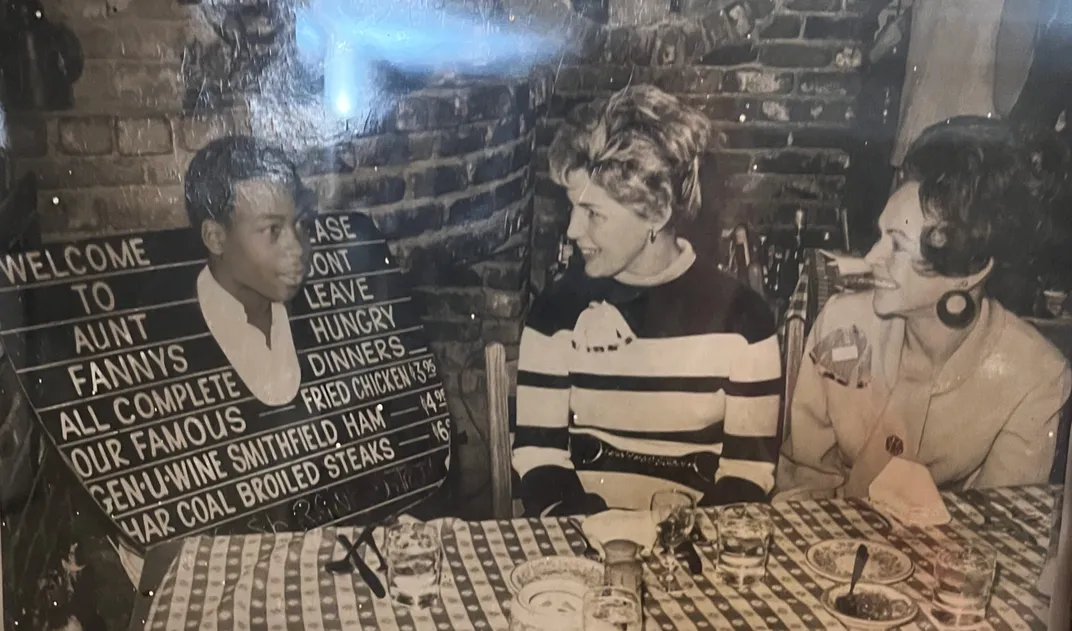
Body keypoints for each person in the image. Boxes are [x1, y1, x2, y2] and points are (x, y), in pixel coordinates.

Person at [511, 85, 783, 516]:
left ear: (656, 214)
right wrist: (606, 536)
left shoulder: (744, 322)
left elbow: (746, 476)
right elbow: (540, 460)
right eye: (572, 208)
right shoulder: (554, 313)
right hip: (583, 543)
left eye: (594, 214)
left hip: (692, 552)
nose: (572, 231)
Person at [778, 117, 1072, 499]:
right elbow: (804, 481)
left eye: (898, 246)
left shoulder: (1036, 376)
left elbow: (999, 529)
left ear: (969, 270)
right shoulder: (841, 323)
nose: (872, 257)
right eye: (880, 235)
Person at [184, 135, 314, 406]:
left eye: (300, 225)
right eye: (273, 230)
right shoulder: (177, 338)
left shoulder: (318, 311)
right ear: (216, 238)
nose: (298, 249)